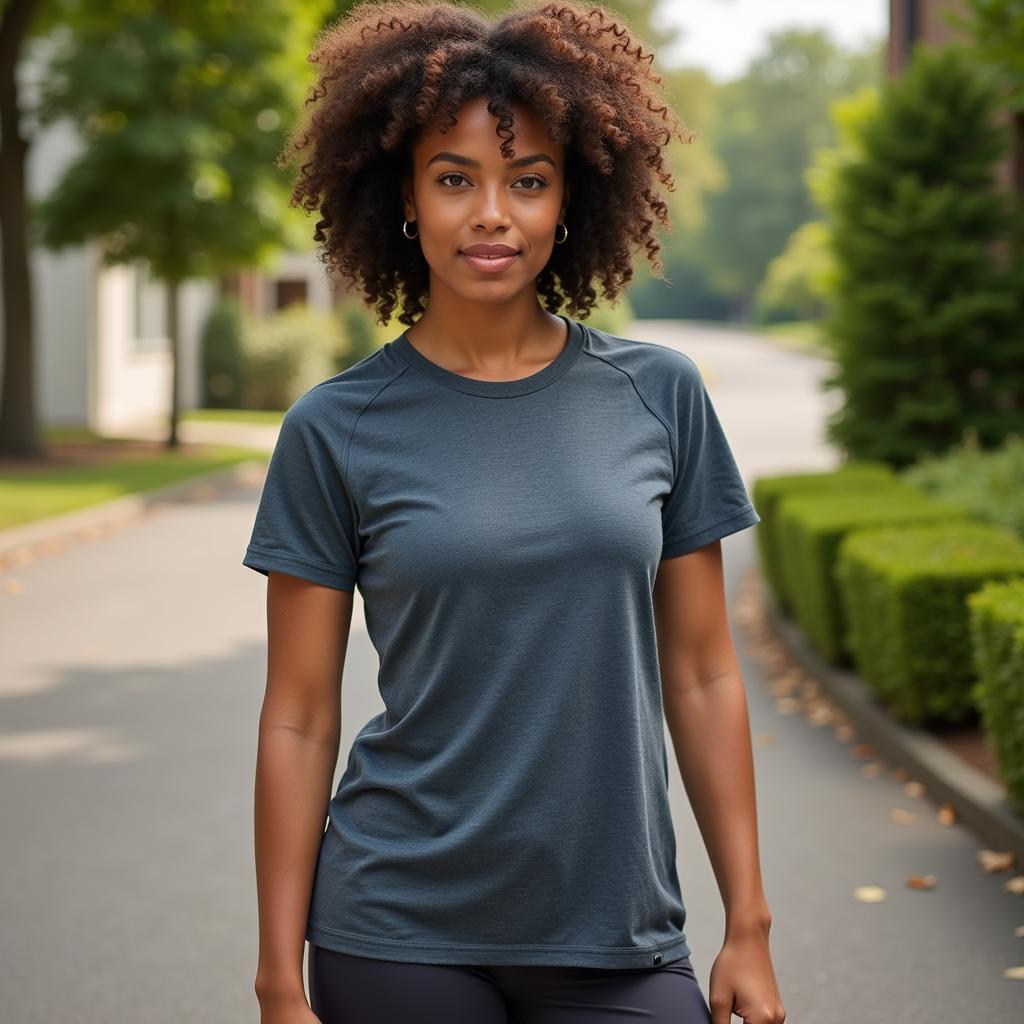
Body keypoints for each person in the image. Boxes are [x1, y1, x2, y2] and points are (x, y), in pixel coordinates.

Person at [244, 2, 786, 1022]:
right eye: (455, 179)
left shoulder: (658, 395)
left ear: (568, 201)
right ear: (403, 198)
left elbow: (706, 671)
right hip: (395, 924)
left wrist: (746, 925)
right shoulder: (335, 429)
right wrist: (278, 979)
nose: (491, 213)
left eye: (526, 180)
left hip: (618, 926)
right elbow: (299, 714)